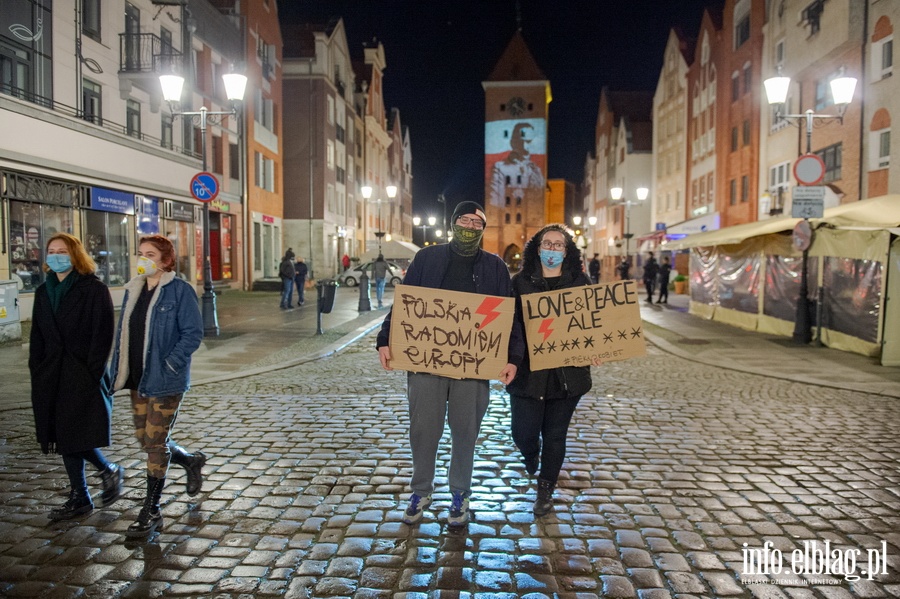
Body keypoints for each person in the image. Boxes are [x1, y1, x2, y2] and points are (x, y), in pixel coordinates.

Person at [376, 201, 524, 528]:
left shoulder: (495, 267)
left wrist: (513, 357)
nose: (470, 226)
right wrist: (385, 337)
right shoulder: (427, 259)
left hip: (473, 365)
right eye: (465, 220)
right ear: (454, 222)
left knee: (465, 430)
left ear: (483, 229)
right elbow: (406, 302)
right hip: (426, 361)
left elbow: (509, 317)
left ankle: (460, 493)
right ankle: (421, 491)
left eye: (477, 223)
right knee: (424, 429)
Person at [110, 235, 206, 538]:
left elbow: (192, 334)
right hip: (138, 380)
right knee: (148, 441)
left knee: (153, 444)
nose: (142, 259)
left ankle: (151, 510)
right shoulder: (133, 290)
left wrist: (170, 364)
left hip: (165, 381)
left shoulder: (180, 292)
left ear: (166, 261)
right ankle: (189, 460)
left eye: (149, 254)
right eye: (140, 253)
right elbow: (124, 335)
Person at [507, 224, 602, 516]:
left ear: (567, 250)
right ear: (537, 249)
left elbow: (593, 320)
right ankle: (530, 454)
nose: (552, 249)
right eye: (546, 244)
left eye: (558, 245)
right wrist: (510, 358)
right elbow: (510, 325)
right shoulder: (520, 282)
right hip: (528, 373)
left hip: (566, 375)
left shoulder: (579, 282)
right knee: (523, 432)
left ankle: (545, 489)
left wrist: (596, 347)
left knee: (556, 435)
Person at [29, 233, 123, 521]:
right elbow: (38, 335)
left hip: (81, 371)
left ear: (75, 255)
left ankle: (98, 479)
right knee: (61, 433)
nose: (56, 256)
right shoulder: (43, 292)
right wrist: (37, 367)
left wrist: (91, 372)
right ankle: (86, 490)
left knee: (72, 434)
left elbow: (103, 334)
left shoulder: (93, 289)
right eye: (51, 251)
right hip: (51, 373)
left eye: (62, 251)